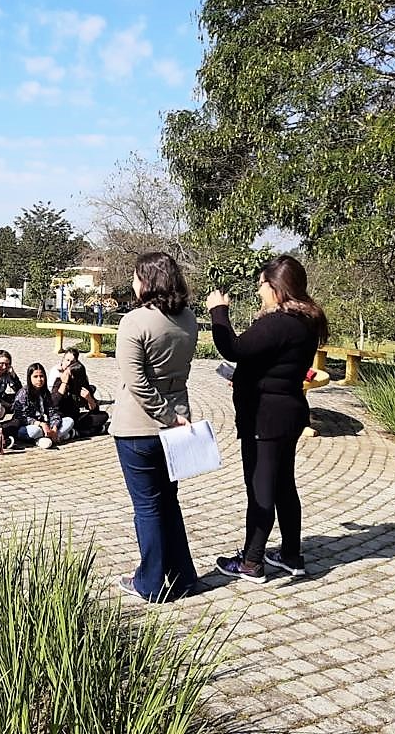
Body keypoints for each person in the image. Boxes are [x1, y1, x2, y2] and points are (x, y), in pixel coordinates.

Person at [206, 254, 328, 583]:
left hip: (266, 418)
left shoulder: (279, 321)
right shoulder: (306, 320)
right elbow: (274, 363)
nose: (259, 291)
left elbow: (233, 347)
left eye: (261, 285)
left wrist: (219, 311)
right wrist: (248, 376)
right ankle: (290, 555)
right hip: (287, 412)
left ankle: (251, 561)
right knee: (283, 486)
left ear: (276, 287)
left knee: (260, 489)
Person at [111, 252, 199, 602]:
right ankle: (183, 577)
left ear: (147, 281)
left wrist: (164, 415)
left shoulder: (135, 321)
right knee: (169, 503)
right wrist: (175, 416)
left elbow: (138, 382)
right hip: (178, 421)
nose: (132, 284)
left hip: (139, 426)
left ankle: (148, 582)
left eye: (136, 277)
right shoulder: (189, 318)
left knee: (147, 506)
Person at [50, 348, 110, 437]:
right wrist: (64, 384)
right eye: (67, 360)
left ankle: (75, 433)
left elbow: (94, 410)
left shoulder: (81, 385)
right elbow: (54, 403)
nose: (68, 364)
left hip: (76, 417)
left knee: (103, 416)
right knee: (69, 421)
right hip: (61, 418)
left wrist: (89, 398)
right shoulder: (59, 380)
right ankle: (91, 431)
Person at [13, 362, 75, 448]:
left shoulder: (45, 392)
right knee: (34, 431)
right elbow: (20, 416)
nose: (39, 379)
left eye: (41, 376)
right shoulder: (23, 393)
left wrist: (54, 428)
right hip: (29, 427)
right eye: (35, 376)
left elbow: (52, 412)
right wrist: (40, 424)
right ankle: (52, 438)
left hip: (45, 425)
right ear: (29, 378)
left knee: (69, 421)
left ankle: (50, 436)